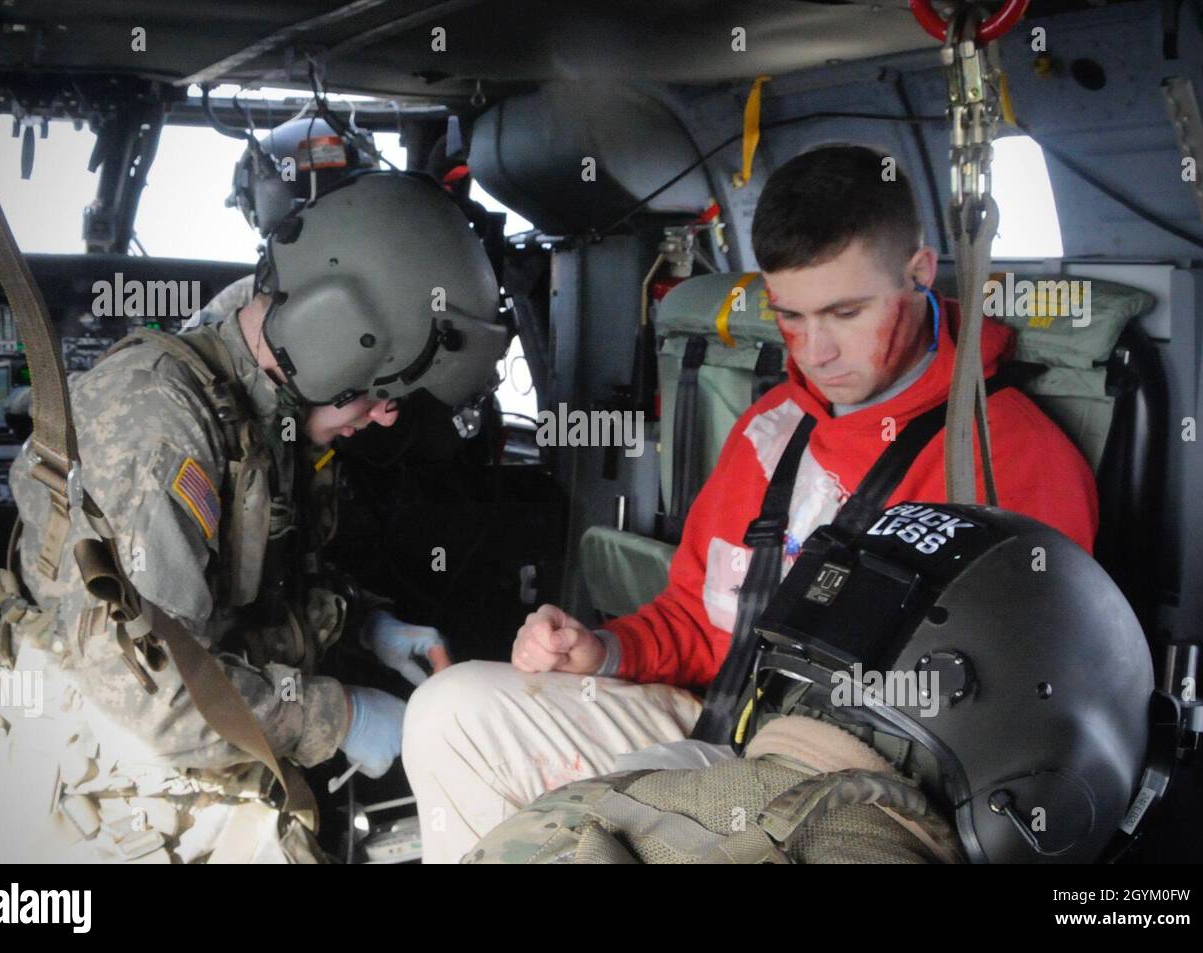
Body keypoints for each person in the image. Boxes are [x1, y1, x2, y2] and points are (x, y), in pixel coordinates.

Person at [402, 144, 1099, 863]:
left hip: (852, 784)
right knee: (449, 710)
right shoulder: (771, 429)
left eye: (846, 312)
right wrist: (605, 649)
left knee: (592, 829)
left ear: (919, 275)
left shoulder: (1010, 458)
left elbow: (1022, 721)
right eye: (791, 316)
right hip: (716, 721)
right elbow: (698, 621)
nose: (816, 349)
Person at [0, 169, 507, 863]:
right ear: (335, 334)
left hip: (179, 755)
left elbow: (269, 582)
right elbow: (154, 694)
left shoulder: (268, 413)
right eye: (383, 391)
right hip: (94, 790)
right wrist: (343, 716)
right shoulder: (160, 424)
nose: (388, 413)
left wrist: (369, 624)